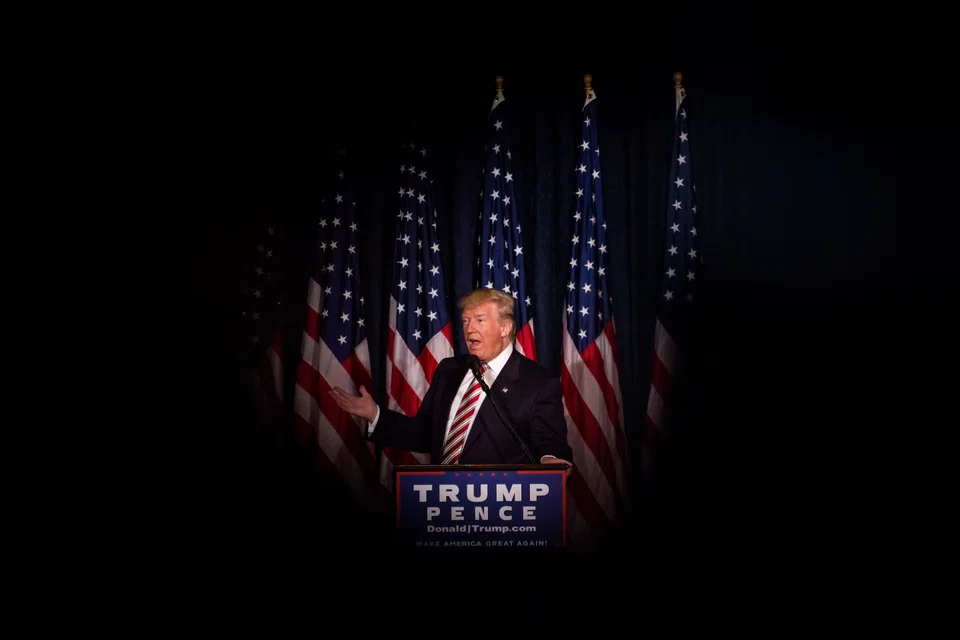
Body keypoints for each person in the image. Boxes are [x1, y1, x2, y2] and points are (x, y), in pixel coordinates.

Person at [330, 288, 573, 468]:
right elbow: (424, 434)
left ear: (505, 328)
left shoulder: (538, 383)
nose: (469, 329)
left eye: (479, 320)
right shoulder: (450, 369)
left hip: (501, 505)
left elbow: (550, 442)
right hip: (444, 503)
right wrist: (375, 414)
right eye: (466, 321)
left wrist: (551, 460)